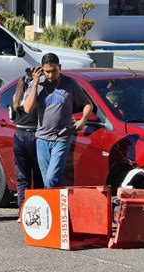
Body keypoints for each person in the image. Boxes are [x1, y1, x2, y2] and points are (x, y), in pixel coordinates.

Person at [23, 53, 92, 188]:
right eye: (47, 71)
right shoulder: (36, 84)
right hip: (42, 139)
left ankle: (56, 206)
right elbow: (27, 108)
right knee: (49, 182)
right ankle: (57, 207)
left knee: (51, 179)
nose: (50, 75)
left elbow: (87, 104)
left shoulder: (70, 84)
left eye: (53, 70)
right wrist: (36, 83)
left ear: (60, 67)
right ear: (42, 69)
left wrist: (83, 120)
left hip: (61, 137)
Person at [10, 71, 43, 217]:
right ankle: (39, 210)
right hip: (34, 135)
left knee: (22, 176)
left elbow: (11, 118)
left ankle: (22, 211)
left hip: (18, 135)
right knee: (38, 174)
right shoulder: (35, 93)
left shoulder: (16, 96)